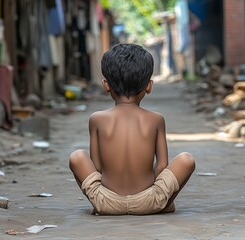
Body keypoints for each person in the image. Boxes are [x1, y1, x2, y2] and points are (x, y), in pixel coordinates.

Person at [69, 43, 195, 215]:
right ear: (149, 86)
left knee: (77, 157)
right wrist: (161, 197)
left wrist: (102, 199)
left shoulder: (96, 119)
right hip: (149, 202)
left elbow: (96, 167)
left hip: (107, 202)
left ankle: (99, 206)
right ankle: (163, 204)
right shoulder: (156, 119)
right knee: (186, 160)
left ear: (106, 85)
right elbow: (162, 167)